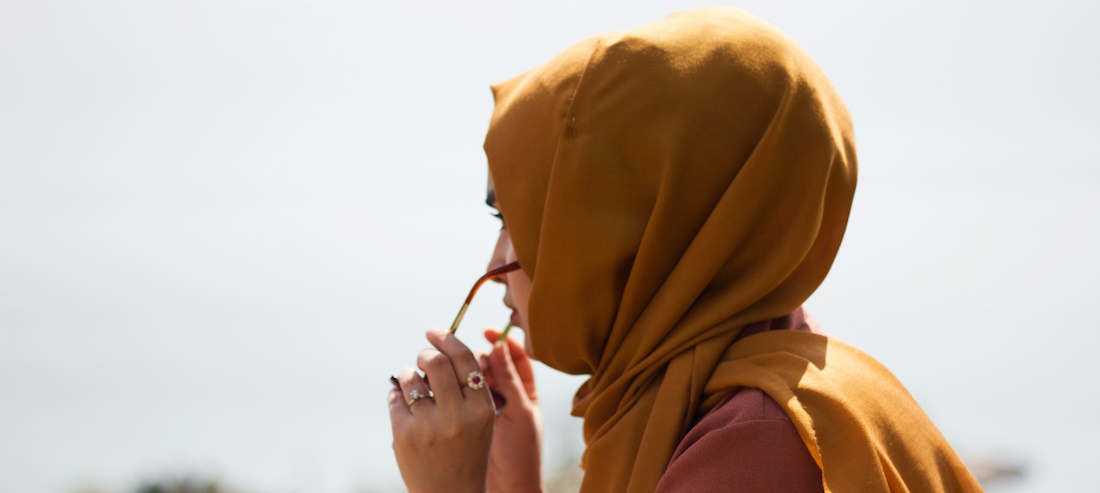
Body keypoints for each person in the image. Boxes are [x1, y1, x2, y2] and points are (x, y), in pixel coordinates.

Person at [387, 7, 982, 493]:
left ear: (635, 223)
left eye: (516, 218)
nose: (494, 268)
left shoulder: (757, 446)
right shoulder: (746, 388)